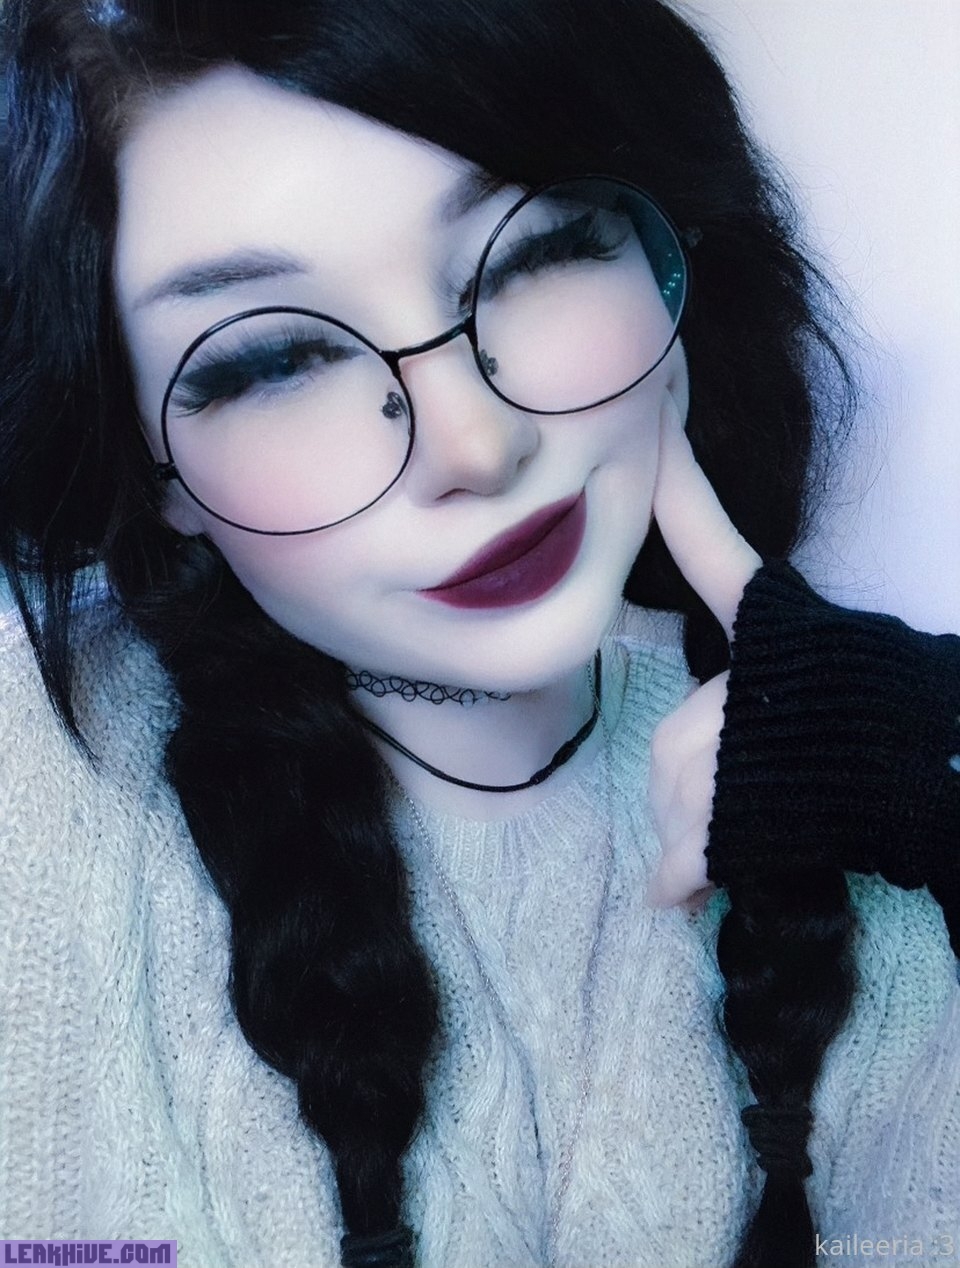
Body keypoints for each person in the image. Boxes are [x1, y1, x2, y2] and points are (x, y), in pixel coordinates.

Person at [0, 2, 956, 1266]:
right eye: (276, 359)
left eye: (535, 253)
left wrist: (937, 766)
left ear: (668, 250)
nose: (475, 441)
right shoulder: (41, 790)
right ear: (148, 461)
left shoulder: (851, 772)